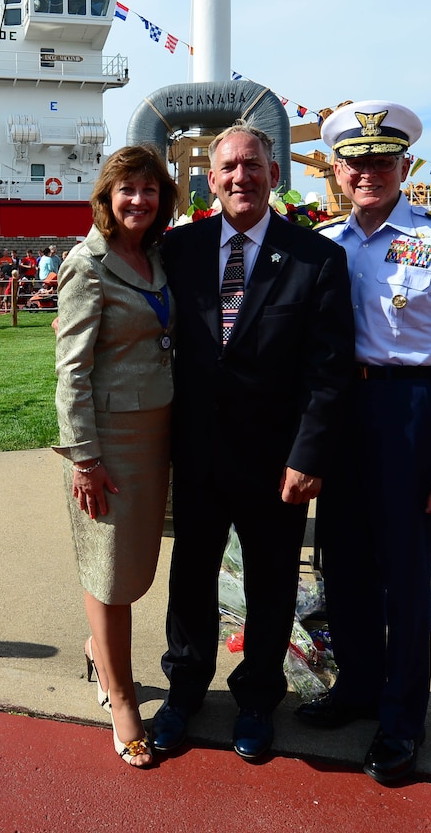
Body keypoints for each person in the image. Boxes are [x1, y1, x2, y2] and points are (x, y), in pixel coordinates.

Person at [296, 100, 431, 787]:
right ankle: (354, 688)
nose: (369, 172)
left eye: (382, 160)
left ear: (404, 166)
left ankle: (401, 719)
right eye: (356, 162)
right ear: (339, 172)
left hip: (408, 407)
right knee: (341, 564)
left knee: (404, 577)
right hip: (339, 410)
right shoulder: (324, 243)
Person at [149, 123, 354, 766]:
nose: (242, 177)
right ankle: (183, 692)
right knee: (190, 578)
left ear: (274, 173)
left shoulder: (316, 258)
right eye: (229, 166)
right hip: (199, 454)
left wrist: (309, 456)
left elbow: (329, 369)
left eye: (254, 165)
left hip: (276, 461)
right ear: (211, 178)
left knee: (270, 584)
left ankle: (258, 700)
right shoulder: (176, 250)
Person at [54, 144, 180, 767]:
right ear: (106, 196)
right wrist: (83, 457)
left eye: (150, 190)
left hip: (160, 434)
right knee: (110, 572)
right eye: (127, 189)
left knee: (135, 564)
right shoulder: (88, 264)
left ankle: (96, 650)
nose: (139, 200)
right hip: (110, 442)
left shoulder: (155, 257)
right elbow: (71, 370)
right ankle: (122, 696)